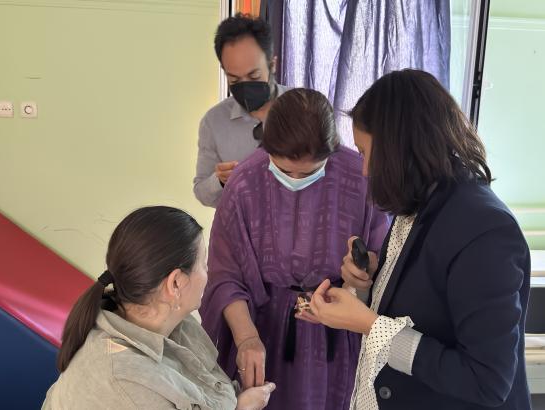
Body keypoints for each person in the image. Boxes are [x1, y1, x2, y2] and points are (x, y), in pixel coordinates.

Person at [301, 70, 531, 410]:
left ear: (398, 150)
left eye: (365, 153)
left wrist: (368, 325)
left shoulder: (485, 230)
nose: (364, 171)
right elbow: (425, 308)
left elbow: (488, 381)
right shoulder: (421, 202)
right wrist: (369, 284)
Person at [199, 88, 390, 410]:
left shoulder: (360, 177)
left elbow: (382, 257)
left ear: (331, 151)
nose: (296, 180)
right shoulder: (244, 183)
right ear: (267, 148)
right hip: (265, 327)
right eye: (285, 171)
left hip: (338, 328)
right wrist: (246, 338)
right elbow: (224, 275)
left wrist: (363, 272)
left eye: (310, 172)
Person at [43, 206, 275, 410]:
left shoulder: (176, 324)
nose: (208, 272)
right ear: (175, 283)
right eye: (203, 264)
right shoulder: (128, 380)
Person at [194, 13, 289, 208]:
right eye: (234, 80)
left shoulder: (307, 107)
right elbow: (202, 192)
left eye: (254, 76)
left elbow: (334, 166)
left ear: (272, 65)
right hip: (242, 225)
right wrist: (220, 180)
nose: (245, 86)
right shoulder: (213, 122)